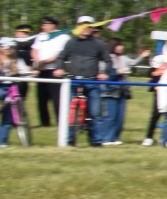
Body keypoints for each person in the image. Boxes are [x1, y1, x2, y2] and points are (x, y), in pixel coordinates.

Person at [61, 17, 111, 146]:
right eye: (83, 25)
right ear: (78, 27)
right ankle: (70, 140)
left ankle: (96, 140)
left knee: (95, 113)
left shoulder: (98, 44)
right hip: (74, 82)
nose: (86, 28)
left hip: (92, 83)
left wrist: (104, 73)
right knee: (71, 113)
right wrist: (59, 69)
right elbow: (61, 58)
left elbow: (108, 61)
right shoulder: (71, 43)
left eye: (89, 25)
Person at [29, 16, 66, 129]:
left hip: (54, 71)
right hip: (41, 70)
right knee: (41, 98)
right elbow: (34, 50)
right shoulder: (40, 36)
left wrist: (44, 61)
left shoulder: (62, 37)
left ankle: (61, 122)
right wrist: (37, 61)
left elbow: (60, 54)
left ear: (53, 25)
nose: (42, 26)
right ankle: (44, 122)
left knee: (57, 99)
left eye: (45, 24)